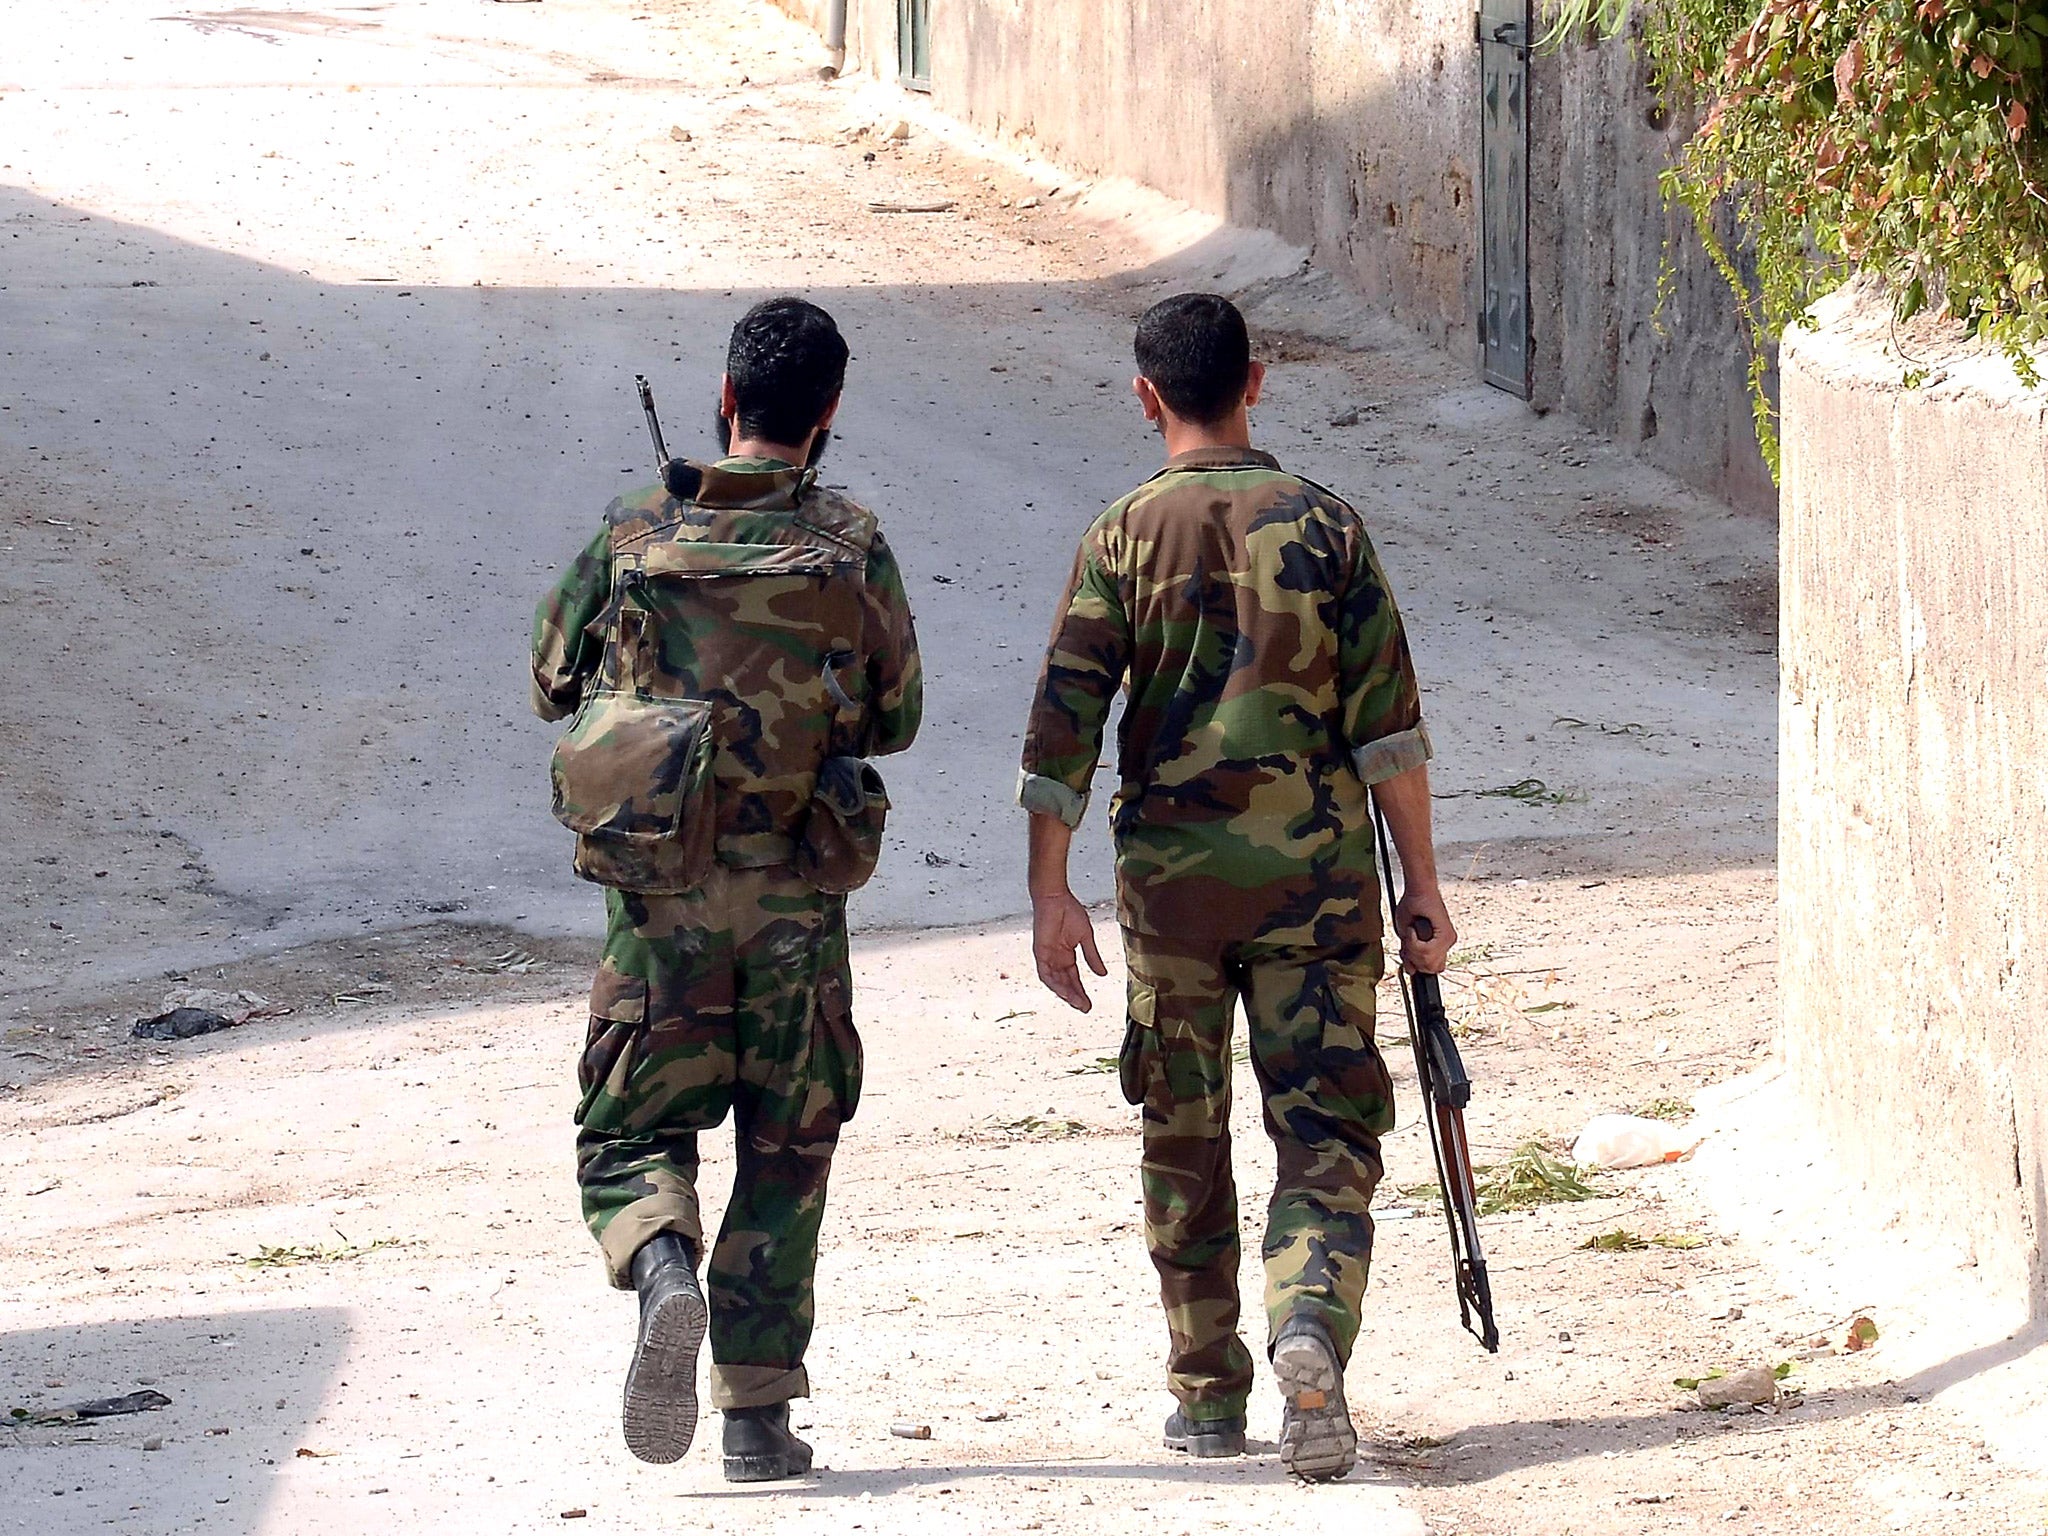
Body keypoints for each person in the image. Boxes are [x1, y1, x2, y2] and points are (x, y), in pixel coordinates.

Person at [1017, 292, 1454, 1482]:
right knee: (1323, 1126)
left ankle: (1207, 1397)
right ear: (1256, 382)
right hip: (1313, 884)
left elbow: (1062, 731)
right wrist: (1420, 887)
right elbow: (1390, 735)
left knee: (1182, 1126)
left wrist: (1051, 896)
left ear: (1145, 395)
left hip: (1169, 892)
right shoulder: (1327, 529)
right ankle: (1308, 1319)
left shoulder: (1117, 538)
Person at [531, 297, 921, 1481]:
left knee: (630, 1125)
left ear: (723, 396)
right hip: (797, 900)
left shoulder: (635, 530)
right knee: (788, 1140)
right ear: (829, 415)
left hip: (661, 904)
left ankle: (659, 1263)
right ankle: (754, 1411)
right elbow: (894, 715)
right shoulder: (850, 544)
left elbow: (554, 678)